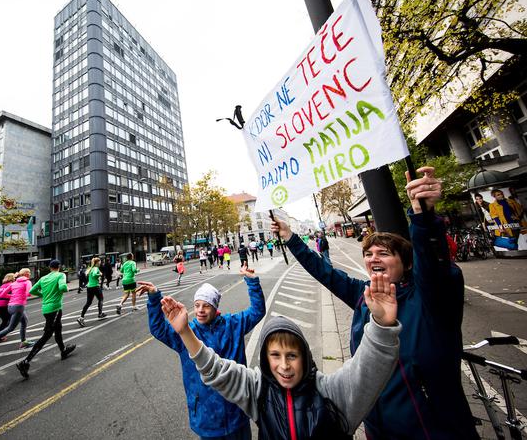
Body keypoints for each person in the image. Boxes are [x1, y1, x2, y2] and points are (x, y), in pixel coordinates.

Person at [271, 166, 479, 439]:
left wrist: (423, 216)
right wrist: (290, 237)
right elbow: (325, 273)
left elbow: (434, 265)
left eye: (384, 253)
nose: (373, 258)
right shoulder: (363, 295)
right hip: (378, 428)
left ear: (405, 263)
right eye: (368, 253)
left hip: (432, 430)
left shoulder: (430, 297)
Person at [161, 271, 401, 439]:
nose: (284, 366)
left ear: (306, 357)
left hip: (235, 420)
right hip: (207, 421)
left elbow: (368, 371)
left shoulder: (331, 395)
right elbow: (215, 369)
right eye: (275, 355)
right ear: (266, 359)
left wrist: (381, 326)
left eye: (292, 355)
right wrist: (184, 331)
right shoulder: (258, 391)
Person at [136, 266, 266, 439]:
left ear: (215, 307)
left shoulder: (233, 324)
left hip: (237, 412)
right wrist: (154, 298)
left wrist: (252, 281)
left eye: (206, 305)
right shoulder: (186, 332)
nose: (200, 310)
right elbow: (159, 329)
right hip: (206, 419)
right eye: (197, 305)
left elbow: (257, 311)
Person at [16, 259, 75, 379]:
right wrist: (65, 289)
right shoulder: (60, 275)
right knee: (47, 335)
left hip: (46, 309)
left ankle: (63, 350)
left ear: (49, 268)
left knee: (58, 329)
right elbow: (63, 287)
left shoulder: (43, 278)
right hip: (55, 308)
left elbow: (32, 291)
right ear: (59, 267)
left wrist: (44, 295)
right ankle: (25, 362)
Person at [0, 268, 33, 358]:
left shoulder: (14, 283)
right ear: (26, 274)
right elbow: (29, 293)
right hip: (18, 306)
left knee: (24, 321)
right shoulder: (27, 282)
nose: (30, 274)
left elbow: (2, 294)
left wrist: (13, 295)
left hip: (10, 306)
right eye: (29, 273)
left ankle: (23, 342)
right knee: (10, 328)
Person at [77, 257, 106, 327]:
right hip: (95, 286)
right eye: (99, 262)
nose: (100, 263)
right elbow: (94, 275)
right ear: (96, 263)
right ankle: (100, 314)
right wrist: (100, 275)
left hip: (89, 287)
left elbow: (89, 275)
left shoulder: (90, 268)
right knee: (101, 299)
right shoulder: (95, 268)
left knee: (88, 303)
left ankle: (81, 317)